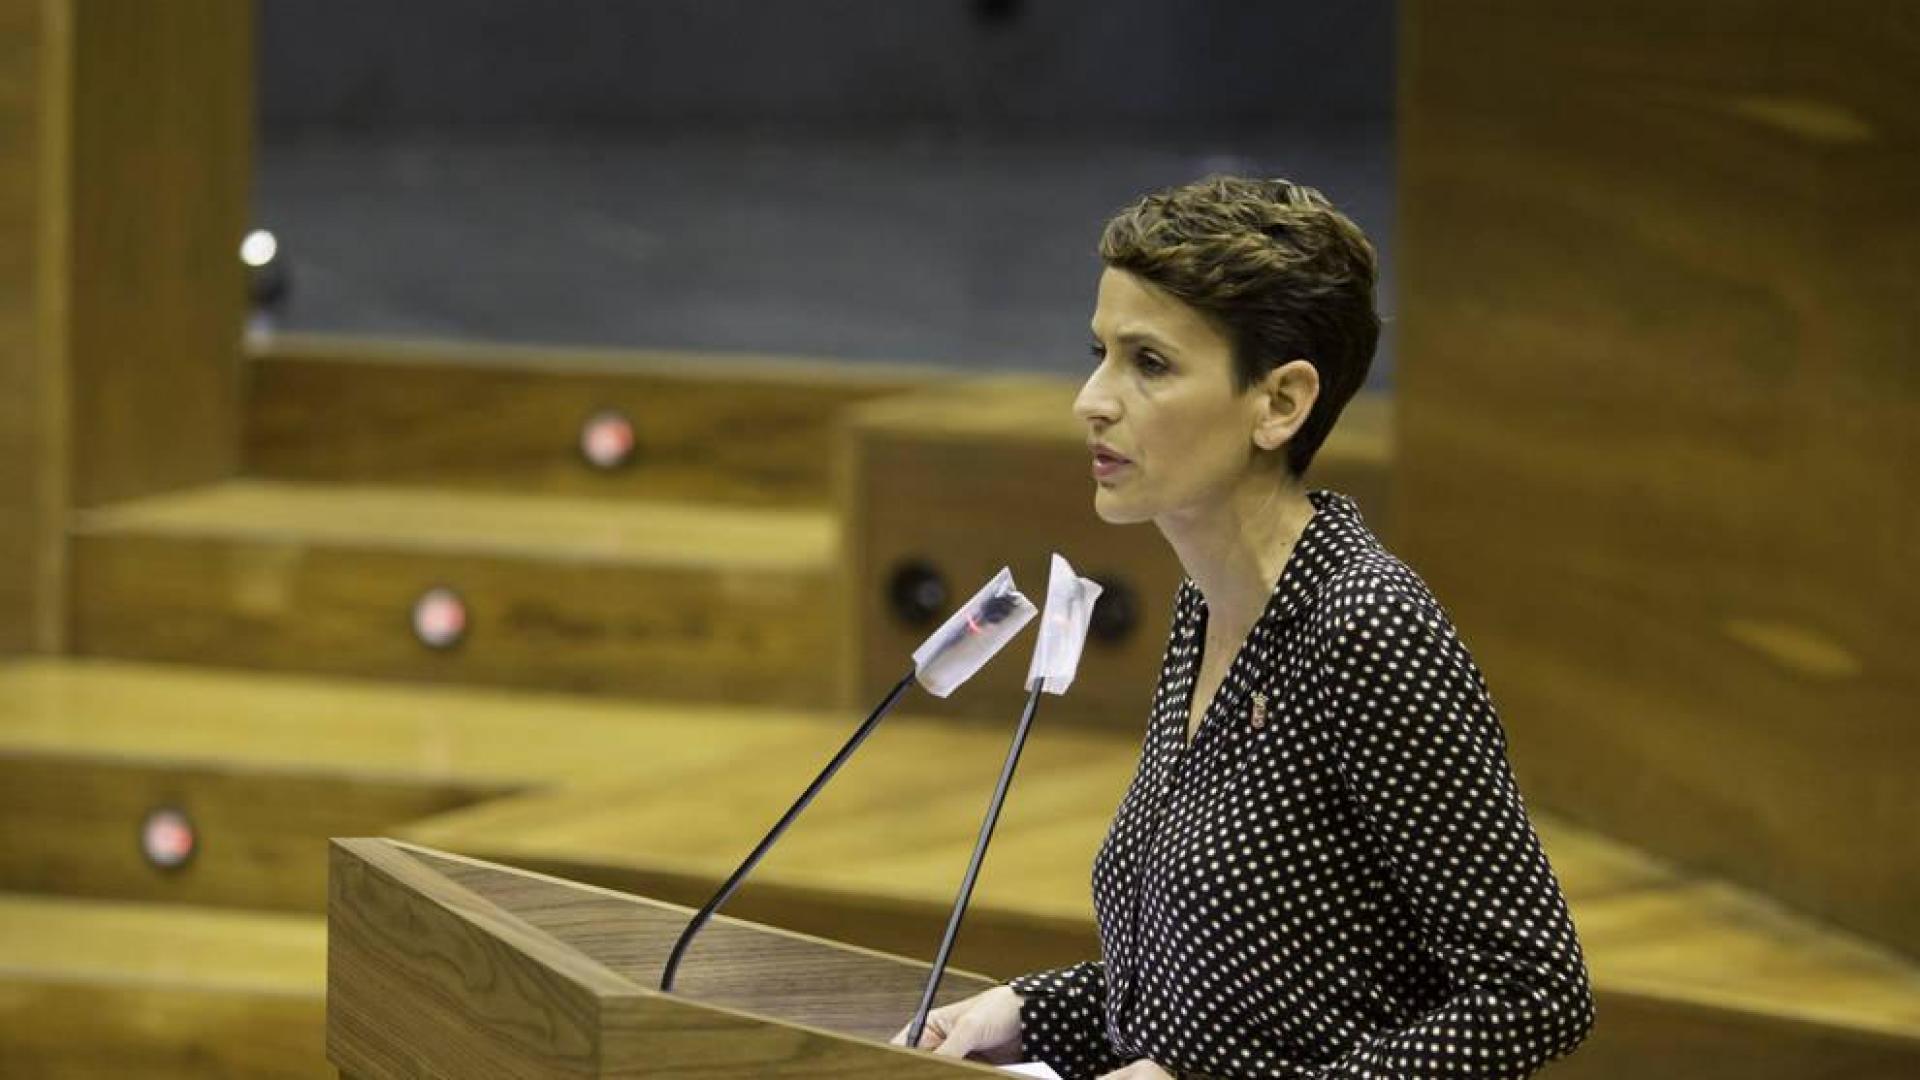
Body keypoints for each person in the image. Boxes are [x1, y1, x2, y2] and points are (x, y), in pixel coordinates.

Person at [892, 176, 1594, 1078]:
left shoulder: (1365, 629)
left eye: (1149, 364)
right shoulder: (1209, 608)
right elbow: (1238, 996)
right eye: (1099, 352)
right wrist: (1027, 1011)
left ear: (1280, 404)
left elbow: (1535, 992)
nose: (1091, 400)